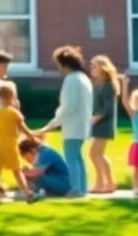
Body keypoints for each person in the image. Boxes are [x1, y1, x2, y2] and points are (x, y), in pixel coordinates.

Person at [36, 46, 94, 197]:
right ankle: (82, 187)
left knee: (71, 158)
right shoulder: (83, 78)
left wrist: (51, 124)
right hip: (82, 125)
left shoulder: (72, 79)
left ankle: (75, 188)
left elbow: (69, 107)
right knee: (77, 157)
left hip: (73, 126)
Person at [0, 83, 36, 203]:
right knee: (17, 170)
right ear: (13, 97)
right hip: (10, 145)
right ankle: (26, 192)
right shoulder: (15, 113)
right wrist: (32, 137)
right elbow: (23, 128)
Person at [88, 55, 121, 194]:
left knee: (94, 154)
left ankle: (100, 185)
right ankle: (109, 184)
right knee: (98, 154)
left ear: (102, 68)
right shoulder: (98, 84)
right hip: (99, 124)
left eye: (94, 66)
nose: (91, 68)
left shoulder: (107, 85)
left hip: (104, 124)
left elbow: (109, 107)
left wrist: (96, 117)